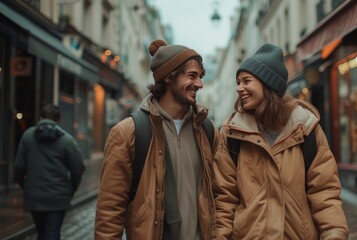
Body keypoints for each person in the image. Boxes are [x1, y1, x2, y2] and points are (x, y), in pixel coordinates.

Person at [213, 43, 349, 239]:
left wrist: (334, 233)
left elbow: (325, 191)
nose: (239, 88)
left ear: (267, 83)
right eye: (238, 82)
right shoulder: (232, 134)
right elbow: (224, 199)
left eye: (246, 81)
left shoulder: (307, 129)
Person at [94, 39, 220, 239]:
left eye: (200, 76)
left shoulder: (206, 129)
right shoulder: (128, 133)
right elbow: (110, 210)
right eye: (192, 76)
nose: (199, 84)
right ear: (169, 77)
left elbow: (220, 195)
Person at [14, 104, 85, 240]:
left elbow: (18, 167)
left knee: (41, 231)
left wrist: (26, 186)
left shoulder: (28, 136)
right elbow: (78, 167)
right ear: (58, 120)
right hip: (58, 198)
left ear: (41, 117)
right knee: (52, 232)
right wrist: (71, 189)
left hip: (35, 196)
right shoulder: (66, 140)